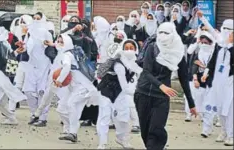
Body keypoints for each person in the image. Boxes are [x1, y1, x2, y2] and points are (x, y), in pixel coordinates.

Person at [134, 22, 197, 150]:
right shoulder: (152, 47)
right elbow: (146, 71)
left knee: (156, 130)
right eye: (160, 32)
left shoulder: (178, 52)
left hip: (161, 98)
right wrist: (161, 85)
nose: (163, 36)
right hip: (143, 93)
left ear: (173, 34)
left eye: (166, 33)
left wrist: (191, 104)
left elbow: (183, 78)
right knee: (145, 132)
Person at [96, 39, 142, 149]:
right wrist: (136, 93)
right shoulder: (119, 63)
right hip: (106, 91)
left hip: (120, 93)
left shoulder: (134, 63)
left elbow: (142, 73)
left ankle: (122, 139)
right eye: (126, 48)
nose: (129, 51)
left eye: (132, 48)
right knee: (104, 116)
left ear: (136, 49)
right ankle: (102, 143)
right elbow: (124, 85)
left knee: (123, 118)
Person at [198, 11, 233, 146]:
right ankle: (223, 131)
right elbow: (213, 61)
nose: (225, 32)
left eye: (228, 29)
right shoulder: (219, 44)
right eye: (223, 28)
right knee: (218, 107)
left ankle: (231, 134)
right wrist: (206, 72)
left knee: (228, 109)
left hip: (230, 83)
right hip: (217, 81)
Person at [22, 12, 53, 127]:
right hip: (31, 64)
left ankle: (43, 117)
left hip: (44, 64)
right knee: (28, 90)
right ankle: (34, 114)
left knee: (42, 91)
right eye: (34, 18)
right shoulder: (29, 33)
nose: (35, 20)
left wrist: (46, 43)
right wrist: (21, 46)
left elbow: (51, 46)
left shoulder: (47, 32)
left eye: (38, 18)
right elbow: (25, 46)